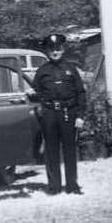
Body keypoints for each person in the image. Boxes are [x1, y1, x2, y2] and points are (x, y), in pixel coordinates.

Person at [33, 34, 86, 195]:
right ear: (47, 51)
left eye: (57, 49)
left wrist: (80, 116)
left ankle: (72, 186)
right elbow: (37, 92)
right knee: (51, 151)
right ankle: (54, 187)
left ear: (62, 50)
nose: (55, 52)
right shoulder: (42, 71)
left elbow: (81, 93)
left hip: (68, 113)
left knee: (70, 150)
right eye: (51, 49)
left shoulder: (71, 69)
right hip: (49, 114)